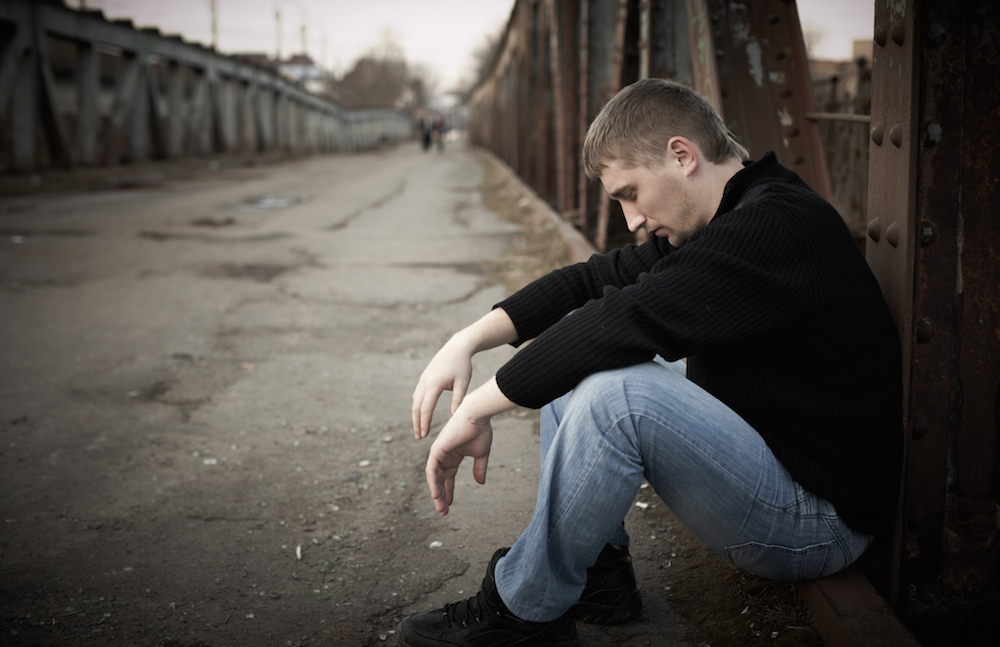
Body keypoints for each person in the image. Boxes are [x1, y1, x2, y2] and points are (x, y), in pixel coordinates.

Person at [399, 78, 902, 647]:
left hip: (818, 521)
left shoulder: (772, 228)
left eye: (630, 193)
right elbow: (594, 283)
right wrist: (466, 339)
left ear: (682, 156)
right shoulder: (730, 215)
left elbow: (623, 321)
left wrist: (476, 408)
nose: (631, 219)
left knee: (619, 395)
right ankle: (597, 574)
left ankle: (524, 613)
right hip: (773, 454)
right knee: (580, 341)